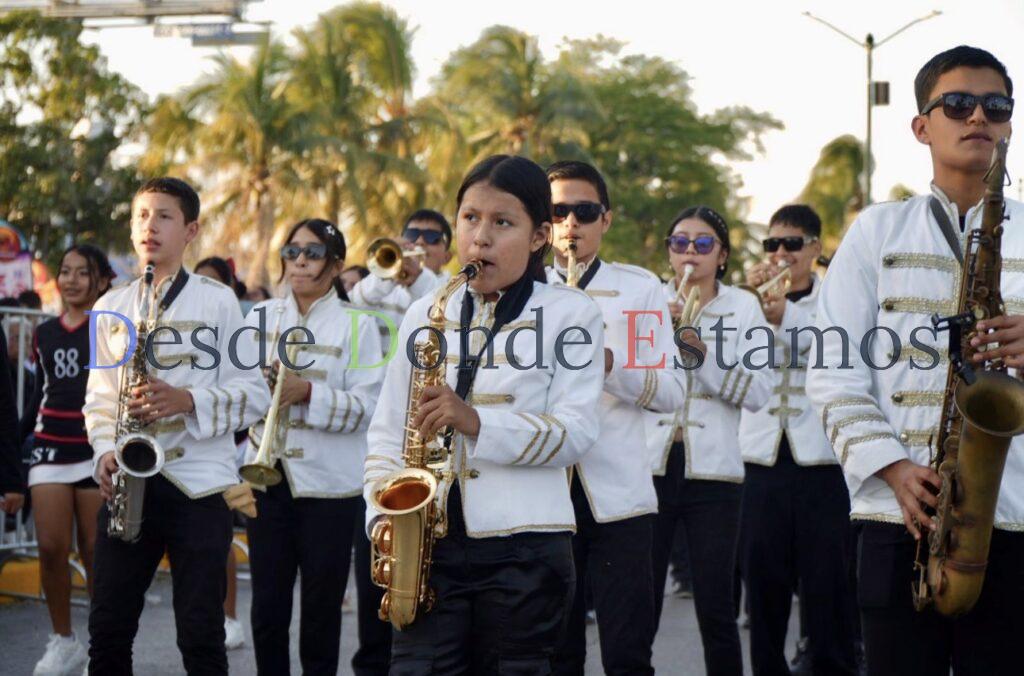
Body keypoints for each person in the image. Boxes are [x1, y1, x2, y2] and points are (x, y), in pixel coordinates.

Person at [806, 46, 1024, 675]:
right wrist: (893, 467)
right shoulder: (876, 231)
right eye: (958, 103)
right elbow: (832, 365)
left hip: (1010, 515)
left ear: (1009, 124)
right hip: (898, 515)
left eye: (996, 106)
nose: (978, 116)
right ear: (922, 126)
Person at [364, 155, 605, 673]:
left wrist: (474, 420)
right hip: (428, 550)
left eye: (502, 222)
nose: (480, 238)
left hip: (527, 554)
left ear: (540, 235)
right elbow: (387, 430)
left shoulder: (572, 314)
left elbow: (577, 432)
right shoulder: (425, 311)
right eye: (470, 218)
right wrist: (385, 523)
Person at [83, 177, 271, 674]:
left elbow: (255, 394)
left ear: (191, 231)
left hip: (201, 487)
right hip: (129, 483)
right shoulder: (109, 308)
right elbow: (100, 401)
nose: (150, 226)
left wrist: (187, 400)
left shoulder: (220, 303)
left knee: (200, 636)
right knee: (107, 632)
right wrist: (105, 452)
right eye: (142, 216)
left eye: (164, 216)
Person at [545, 160, 686, 676]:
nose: (570, 224)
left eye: (584, 211)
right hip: (542, 496)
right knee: (555, 656)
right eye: (558, 211)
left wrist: (610, 365)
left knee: (628, 655)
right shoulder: (525, 291)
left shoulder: (639, 288)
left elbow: (670, 390)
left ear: (605, 219)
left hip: (620, 499)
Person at [245, 218, 383, 676]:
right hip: (267, 481)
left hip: (330, 488)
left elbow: (369, 407)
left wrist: (308, 394)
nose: (300, 261)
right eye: (292, 252)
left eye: (313, 253)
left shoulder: (359, 326)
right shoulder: (259, 318)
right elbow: (235, 393)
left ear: (336, 263)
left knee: (321, 614)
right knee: (266, 609)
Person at [650, 205, 773, 676]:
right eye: (680, 243)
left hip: (717, 474)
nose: (689, 254)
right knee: (640, 605)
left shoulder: (744, 307)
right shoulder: (650, 301)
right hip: (650, 468)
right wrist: (664, 332)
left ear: (721, 255)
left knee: (716, 606)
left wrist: (694, 346)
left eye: (703, 244)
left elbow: (758, 391)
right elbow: (636, 383)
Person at [738, 205, 857, 675]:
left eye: (792, 244)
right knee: (762, 582)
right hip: (760, 456)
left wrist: (784, 314)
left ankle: (830, 663)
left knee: (826, 581)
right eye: (772, 245)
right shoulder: (745, 303)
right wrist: (761, 311)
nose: (781, 253)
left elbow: (836, 348)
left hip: (821, 460)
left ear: (815, 248)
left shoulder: (836, 300)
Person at [18, 245, 113, 675]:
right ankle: (63, 640)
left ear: (101, 280)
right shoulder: (44, 333)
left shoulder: (112, 329)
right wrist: (13, 453)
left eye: (82, 273)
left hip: (95, 448)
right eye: (66, 271)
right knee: (52, 547)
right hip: (50, 446)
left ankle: (104, 643)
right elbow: (40, 394)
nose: (71, 280)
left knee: (95, 550)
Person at [192, 254, 249, 651]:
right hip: (189, 449)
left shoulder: (237, 325)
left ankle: (229, 617)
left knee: (221, 538)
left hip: (230, 446)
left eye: (213, 282)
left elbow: (246, 392)